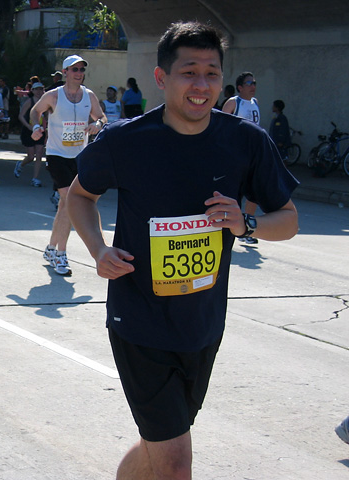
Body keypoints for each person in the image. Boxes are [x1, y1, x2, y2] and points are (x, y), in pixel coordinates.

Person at [67, 21, 299, 480]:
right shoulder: (125, 141)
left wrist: (246, 223)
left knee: (160, 447)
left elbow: (288, 220)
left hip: (204, 324)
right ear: (161, 78)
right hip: (140, 322)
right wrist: (97, 249)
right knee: (176, 462)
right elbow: (78, 195)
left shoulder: (246, 142)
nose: (201, 85)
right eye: (189, 72)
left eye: (212, 73)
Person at [30, 54, 106, 276]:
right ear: (65, 73)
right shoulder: (53, 96)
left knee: (65, 205)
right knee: (68, 200)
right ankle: (61, 255)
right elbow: (36, 110)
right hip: (56, 155)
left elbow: (101, 117)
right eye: (75, 70)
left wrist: (97, 125)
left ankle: (51, 248)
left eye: (82, 69)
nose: (79, 73)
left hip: (79, 156)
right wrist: (36, 126)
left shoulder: (88, 96)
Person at [223, 71, 261, 244]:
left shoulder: (255, 102)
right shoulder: (233, 102)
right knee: (233, 192)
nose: (253, 86)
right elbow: (221, 127)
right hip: (235, 154)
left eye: (254, 83)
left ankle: (247, 228)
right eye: (249, 83)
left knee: (253, 193)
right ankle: (227, 226)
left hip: (253, 154)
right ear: (240, 87)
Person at [15, 81, 46, 187]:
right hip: (29, 131)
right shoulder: (30, 101)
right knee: (31, 156)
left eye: (40, 89)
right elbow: (21, 116)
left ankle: (35, 178)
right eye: (36, 89)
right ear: (32, 91)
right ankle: (20, 164)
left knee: (39, 154)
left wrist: (46, 129)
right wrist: (29, 127)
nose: (38, 91)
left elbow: (47, 117)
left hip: (41, 131)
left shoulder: (46, 102)